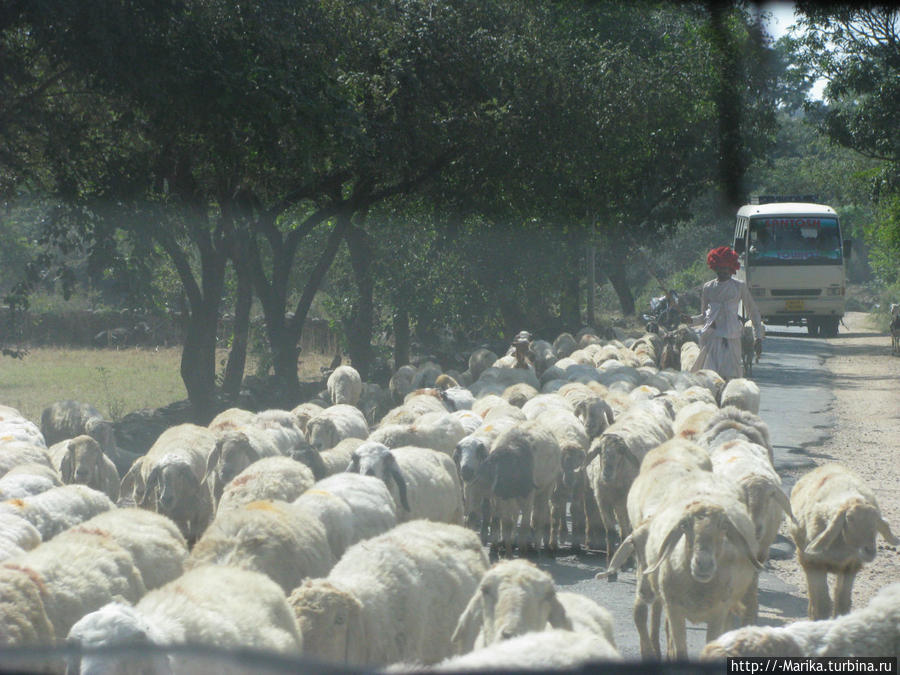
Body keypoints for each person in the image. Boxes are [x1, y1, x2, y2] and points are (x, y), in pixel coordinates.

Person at [686, 246, 764, 380]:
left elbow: (753, 311)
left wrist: (758, 336)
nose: (724, 272)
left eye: (727, 268)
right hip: (712, 339)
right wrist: (690, 320)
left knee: (731, 377)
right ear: (715, 269)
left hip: (732, 338)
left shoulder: (739, 287)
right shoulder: (708, 288)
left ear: (732, 268)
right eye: (721, 269)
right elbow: (704, 316)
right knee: (709, 378)